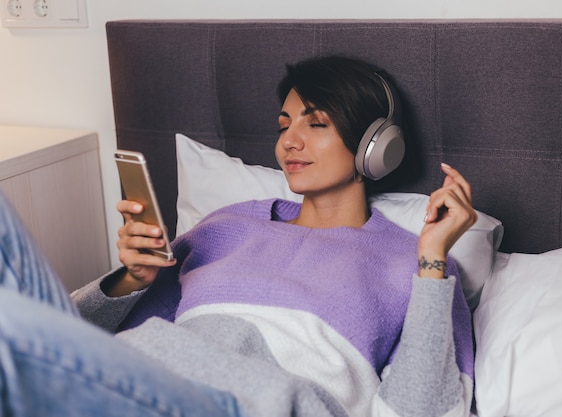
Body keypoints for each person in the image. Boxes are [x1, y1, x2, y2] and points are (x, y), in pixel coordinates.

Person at [0, 55, 477, 417]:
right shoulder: (225, 228)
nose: (290, 140)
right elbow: (72, 334)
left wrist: (433, 262)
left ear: (377, 147)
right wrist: (132, 279)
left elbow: (423, 408)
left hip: (259, 404)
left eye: (316, 123)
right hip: (144, 378)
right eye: (285, 124)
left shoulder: (415, 265)